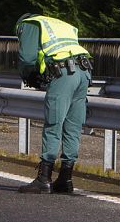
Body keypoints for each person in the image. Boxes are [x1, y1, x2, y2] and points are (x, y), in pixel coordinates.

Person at [15, 13, 92, 194]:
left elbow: (27, 58)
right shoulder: (61, 24)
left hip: (64, 73)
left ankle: (44, 178)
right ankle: (66, 179)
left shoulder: (29, 24)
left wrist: (29, 75)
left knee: (53, 122)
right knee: (73, 126)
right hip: (84, 71)